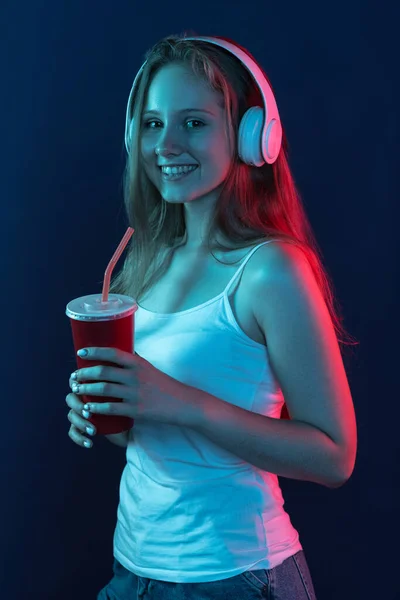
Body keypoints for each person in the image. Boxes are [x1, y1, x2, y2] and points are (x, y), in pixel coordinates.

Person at [66, 33, 358, 600]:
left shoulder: (271, 270)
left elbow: (334, 456)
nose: (166, 144)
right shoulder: (143, 262)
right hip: (134, 571)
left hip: (237, 577)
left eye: (194, 123)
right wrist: (107, 410)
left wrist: (178, 400)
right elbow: (144, 435)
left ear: (251, 137)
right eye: (152, 124)